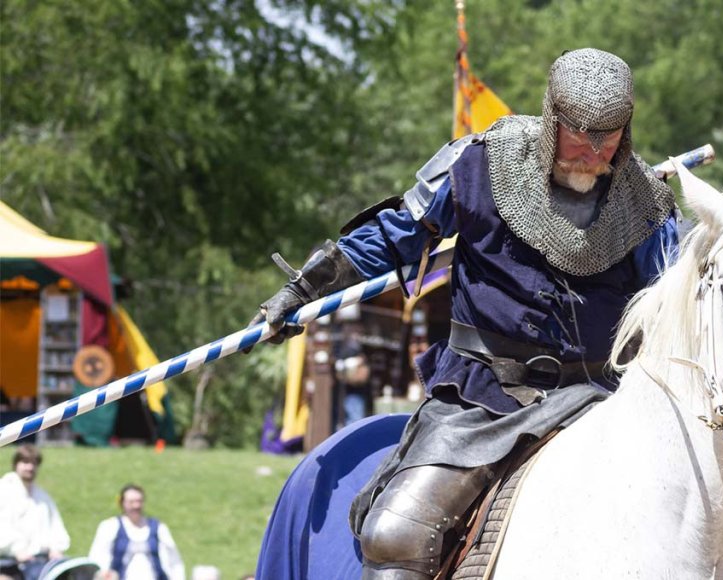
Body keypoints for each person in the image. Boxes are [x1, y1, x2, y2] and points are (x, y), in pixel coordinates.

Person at [251, 48, 685, 578]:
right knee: (396, 534)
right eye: (578, 132)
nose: (592, 151)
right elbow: (393, 236)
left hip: (599, 400)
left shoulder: (645, 205)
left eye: (608, 134)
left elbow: (672, 309)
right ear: (552, 117)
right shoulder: (481, 164)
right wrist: (303, 291)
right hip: (482, 397)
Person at [0, 445, 70, 580]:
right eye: (25, 462)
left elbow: (55, 527)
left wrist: (55, 548)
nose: (30, 468)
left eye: (34, 463)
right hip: (7, 562)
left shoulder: (43, 497)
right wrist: (16, 550)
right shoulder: (4, 490)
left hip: (39, 563)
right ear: (16, 464)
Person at [88, 484, 185, 580]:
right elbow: (97, 558)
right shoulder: (110, 526)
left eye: (139, 501)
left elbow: (175, 561)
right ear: (122, 503)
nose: (136, 505)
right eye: (131, 502)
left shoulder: (159, 528)